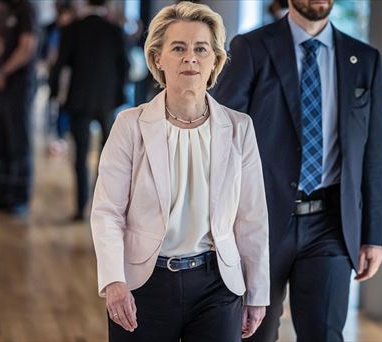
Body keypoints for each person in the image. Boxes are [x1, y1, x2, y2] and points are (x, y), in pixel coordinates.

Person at [90, 2, 269, 341]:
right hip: (144, 282)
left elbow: (252, 218)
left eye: (201, 49)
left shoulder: (239, 128)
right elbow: (107, 213)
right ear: (158, 58)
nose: (190, 57)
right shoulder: (130, 125)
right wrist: (113, 280)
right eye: (178, 48)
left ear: (215, 60)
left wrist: (258, 294)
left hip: (218, 284)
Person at [212, 0, 382, 340]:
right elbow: (221, 139)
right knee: (255, 334)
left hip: (330, 224)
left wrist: (374, 235)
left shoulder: (364, 59)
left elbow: (374, 153)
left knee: (324, 334)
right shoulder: (251, 49)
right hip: (260, 221)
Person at [49, 0, 129, 221]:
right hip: (106, 101)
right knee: (108, 158)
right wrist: (119, 96)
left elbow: (60, 65)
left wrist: (54, 93)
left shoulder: (72, 29)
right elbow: (125, 66)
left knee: (81, 154)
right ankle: (101, 205)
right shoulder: (115, 30)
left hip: (79, 99)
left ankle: (80, 207)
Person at [0, 0, 37, 216]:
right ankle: (3, 193)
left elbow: (27, 47)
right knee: (3, 140)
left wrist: (3, 71)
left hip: (20, 86)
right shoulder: (6, 11)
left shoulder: (26, 10)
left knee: (18, 140)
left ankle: (20, 196)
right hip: (2, 87)